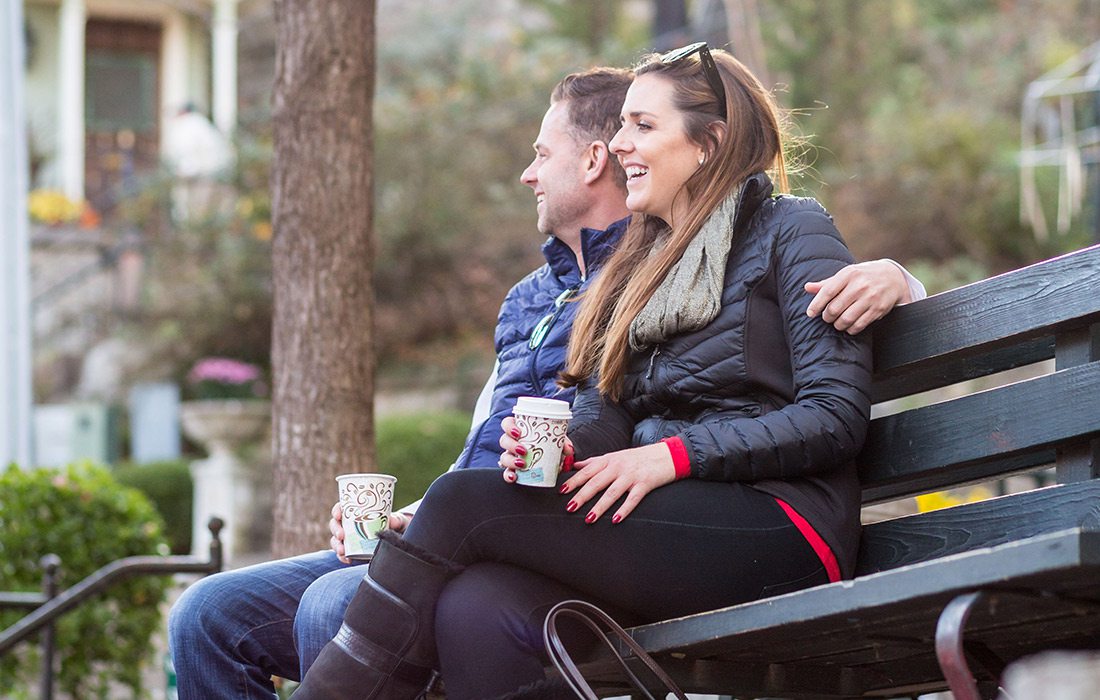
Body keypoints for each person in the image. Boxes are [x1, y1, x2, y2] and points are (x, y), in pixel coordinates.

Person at [168, 66, 920, 699]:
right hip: (666, 514)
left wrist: (670, 458)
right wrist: (550, 461)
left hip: (780, 528)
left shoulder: (791, 227)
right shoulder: (639, 265)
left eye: (642, 127)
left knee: (461, 505)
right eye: (619, 126)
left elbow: (833, 416)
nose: (620, 143)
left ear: (708, 144)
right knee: (474, 606)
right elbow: (601, 412)